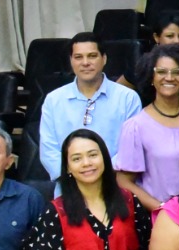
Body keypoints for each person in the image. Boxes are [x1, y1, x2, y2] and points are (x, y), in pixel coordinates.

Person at [115, 45, 179, 213]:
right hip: (162, 219)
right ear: (150, 76)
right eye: (161, 71)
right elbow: (124, 181)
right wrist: (163, 210)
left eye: (177, 72)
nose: (169, 77)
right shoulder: (136, 126)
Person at [39, 33, 142, 181]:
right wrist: (74, 176)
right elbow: (49, 151)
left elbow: (131, 148)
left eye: (92, 56)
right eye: (78, 57)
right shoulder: (54, 100)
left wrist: (98, 174)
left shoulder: (127, 98)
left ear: (104, 59)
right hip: (68, 185)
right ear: (71, 61)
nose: (85, 62)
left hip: (113, 184)